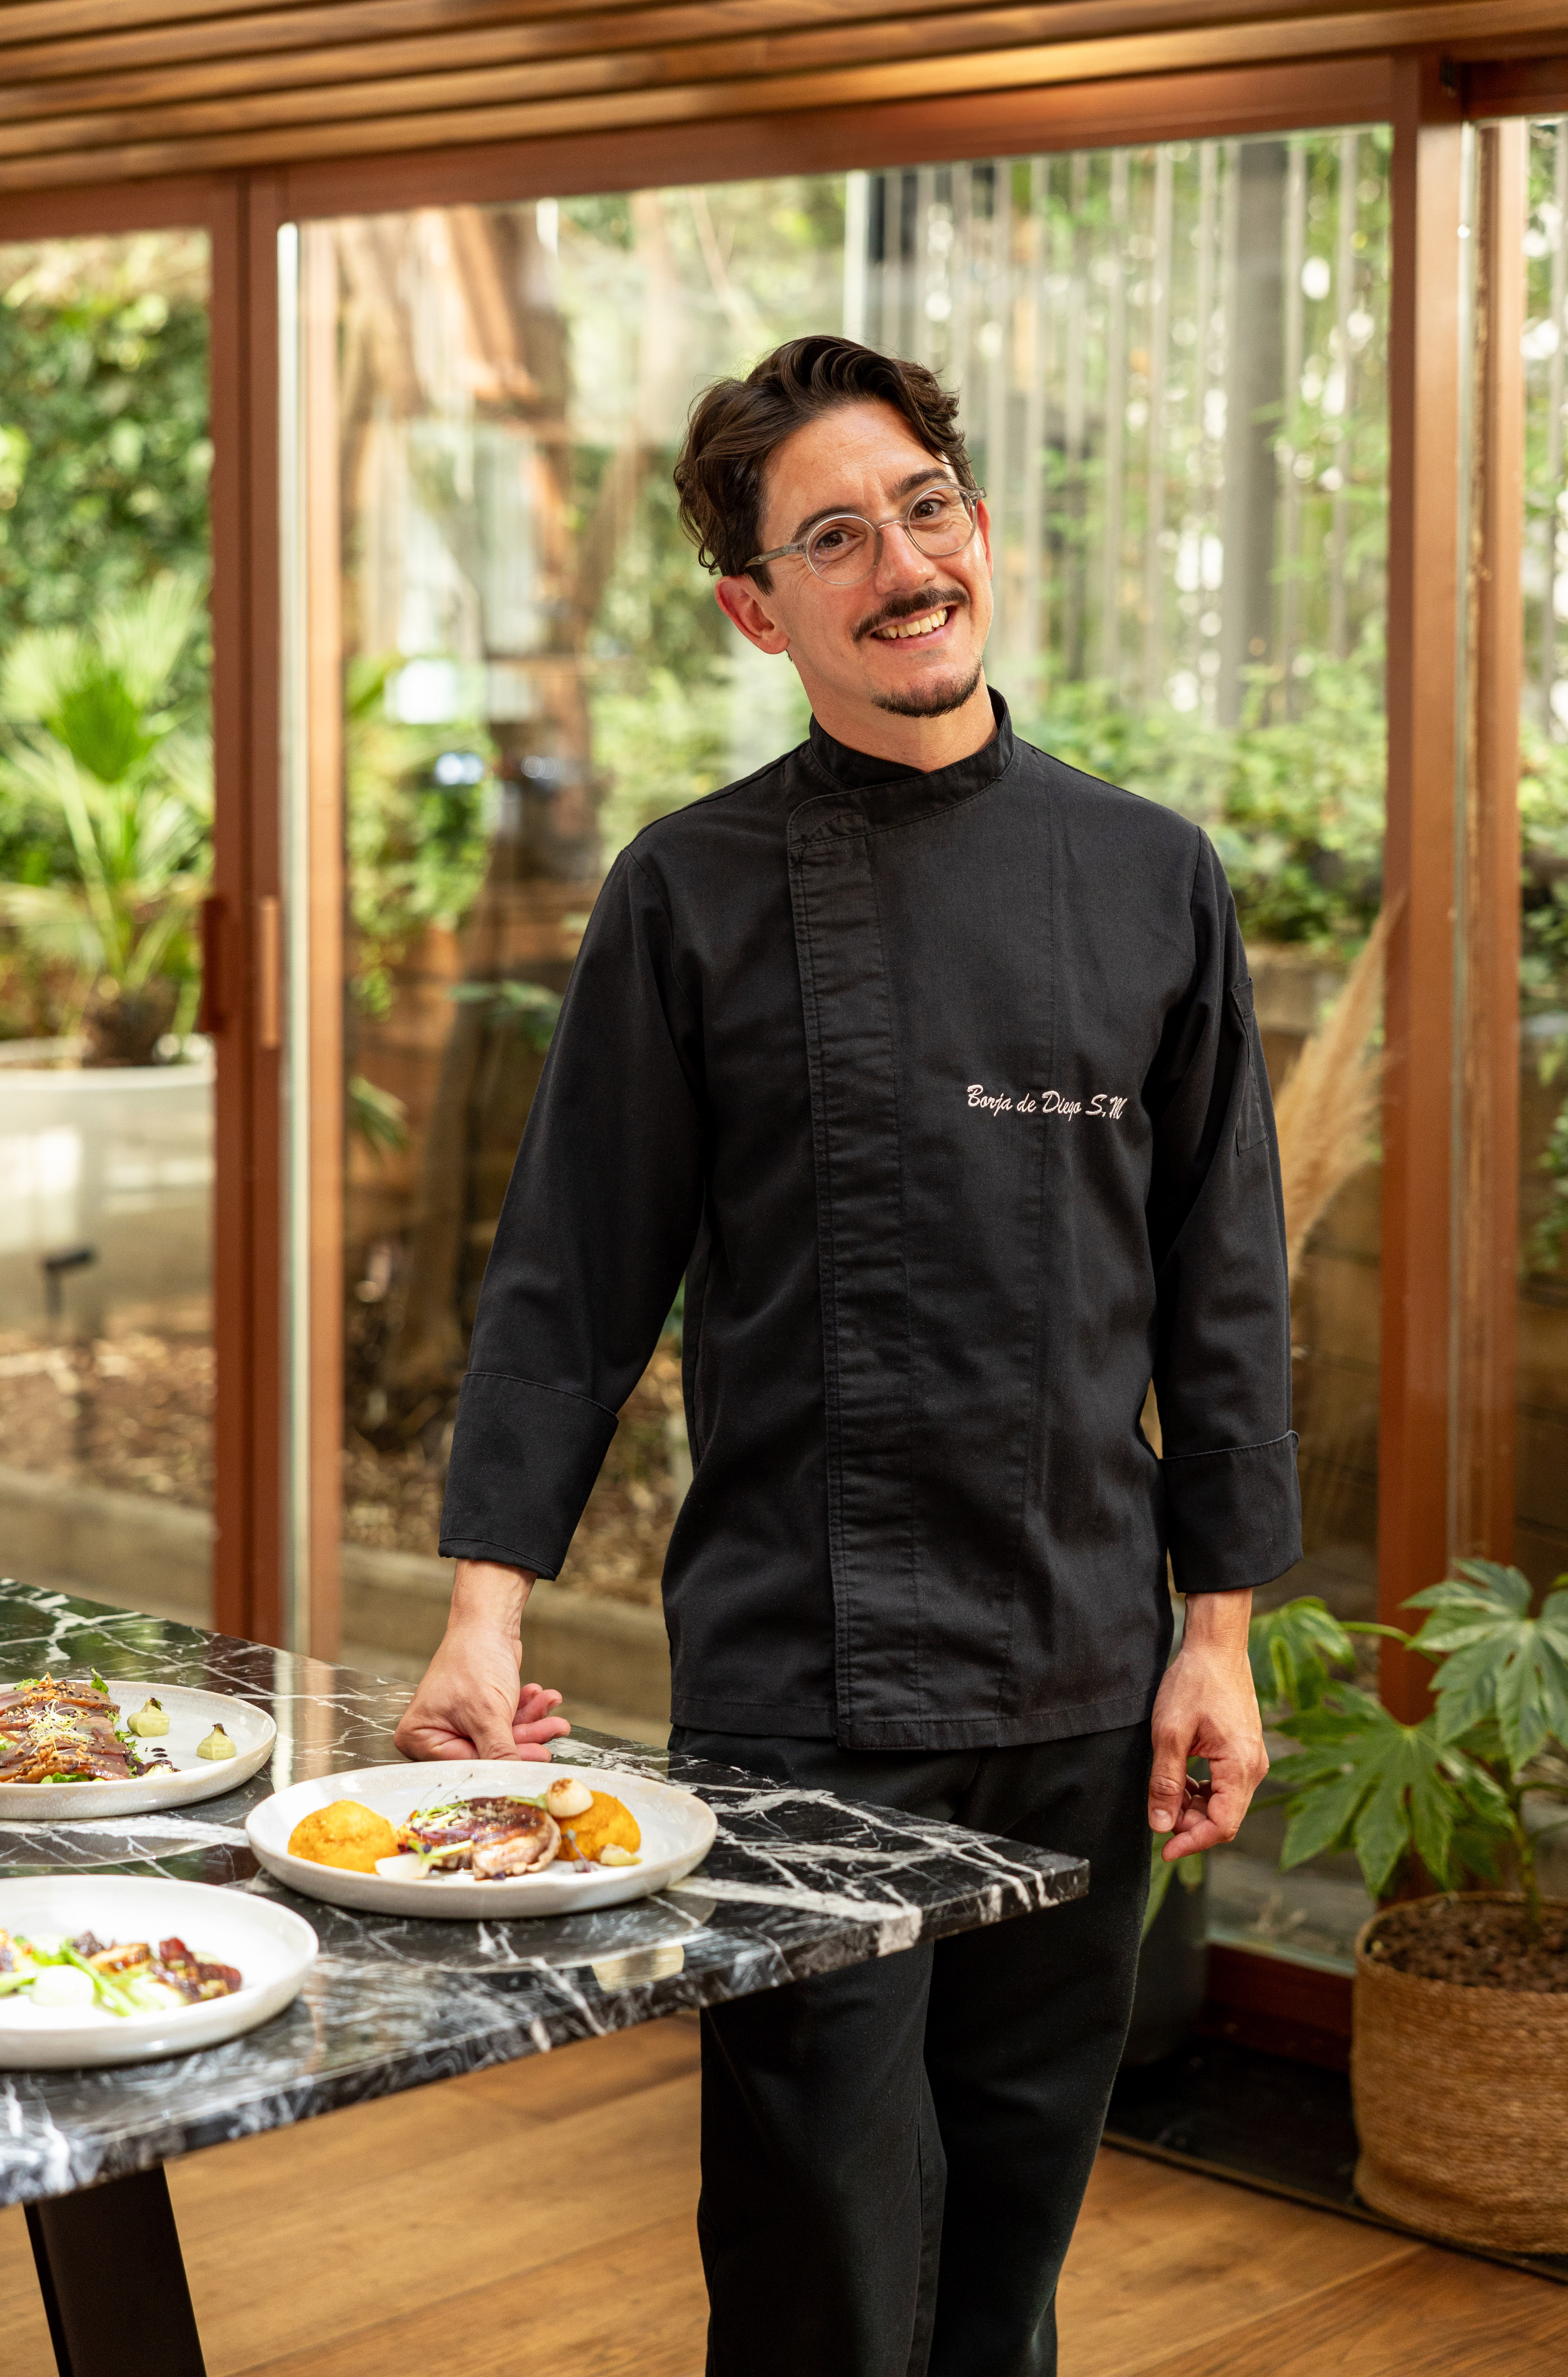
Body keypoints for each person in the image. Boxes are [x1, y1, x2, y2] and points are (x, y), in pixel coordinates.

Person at [397, 334, 1300, 2376]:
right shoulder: (690, 893)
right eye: (831, 538)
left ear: (974, 529)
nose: (898, 563)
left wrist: (1220, 1634)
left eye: (921, 510)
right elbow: (572, 1273)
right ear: (757, 608)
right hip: (804, 1675)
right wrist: (482, 1609)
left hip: (1082, 1652)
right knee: (815, 2241)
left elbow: (1224, 1287)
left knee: (1013, 2232)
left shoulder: (1155, 877)